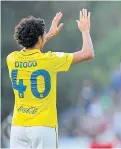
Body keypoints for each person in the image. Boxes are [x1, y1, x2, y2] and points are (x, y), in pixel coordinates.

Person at [6, 8, 94, 148]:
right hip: (43, 127)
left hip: (18, 128)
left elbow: (31, 49)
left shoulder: (11, 59)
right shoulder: (50, 60)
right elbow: (88, 53)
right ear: (40, 39)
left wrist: (45, 37)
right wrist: (85, 30)